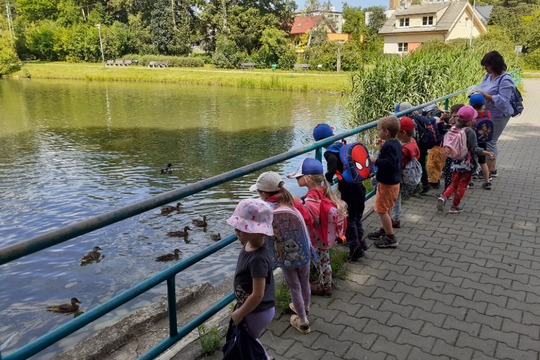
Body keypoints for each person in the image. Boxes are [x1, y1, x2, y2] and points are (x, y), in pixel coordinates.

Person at [250, 171, 312, 334]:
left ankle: (303, 320)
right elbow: (307, 219)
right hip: (304, 251)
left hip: (284, 256)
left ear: (263, 193)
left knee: (294, 286)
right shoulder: (293, 201)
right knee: (304, 281)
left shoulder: (264, 209)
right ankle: (305, 307)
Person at [289, 158, 346, 296]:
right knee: (323, 259)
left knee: (323, 260)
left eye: (299, 177)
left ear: (308, 178)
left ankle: (325, 286)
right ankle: (324, 280)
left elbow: (310, 217)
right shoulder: (323, 190)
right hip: (326, 232)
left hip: (319, 235)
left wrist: (297, 203)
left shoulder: (310, 198)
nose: (297, 179)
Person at [226, 198, 276, 359]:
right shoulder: (248, 245)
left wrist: (240, 313)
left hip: (257, 311)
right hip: (251, 308)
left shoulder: (258, 258)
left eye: (241, 228)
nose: (236, 231)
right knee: (251, 340)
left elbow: (258, 294)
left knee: (249, 341)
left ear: (257, 231)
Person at [312, 123, 367, 261]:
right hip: (359, 186)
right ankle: (362, 241)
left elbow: (332, 164)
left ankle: (355, 249)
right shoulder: (342, 145)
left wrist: (328, 177)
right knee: (357, 217)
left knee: (350, 219)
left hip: (349, 189)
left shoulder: (330, 152)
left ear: (319, 141)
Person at [437, 106, 495, 214]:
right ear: (470, 120)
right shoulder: (470, 131)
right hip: (467, 163)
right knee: (462, 185)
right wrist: (486, 152)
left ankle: (444, 197)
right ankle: (454, 206)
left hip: (455, 160)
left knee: (454, 183)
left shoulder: (453, 127)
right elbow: (474, 148)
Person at [470, 50, 515, 178]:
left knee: (490, 141)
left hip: (499, 114)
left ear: (494, 65)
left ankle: (487, 172)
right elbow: (484, 88)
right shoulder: (488, 76)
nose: (485, 69)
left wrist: (485, 95)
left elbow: (503, 100)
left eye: (487, 66)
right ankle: (492, 169)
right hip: (488, 113)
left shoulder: (506, 79)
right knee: (489, 140)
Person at [366, 116, 402, 248]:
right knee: (387, 207)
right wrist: (381, 148)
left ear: (386, 132)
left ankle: (390, 237)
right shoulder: (395, 143)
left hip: (387, 184)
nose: (378, 132)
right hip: (393, 182)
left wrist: (374, 160)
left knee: (381, 210)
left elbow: (389, 164)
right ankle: (384, 229)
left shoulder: (389, 146)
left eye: (379, 130)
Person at [391, 117, 420, 228]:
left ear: (403, 133)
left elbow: (397, 164)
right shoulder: (413, 142)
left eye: (397, 132)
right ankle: (395, 218)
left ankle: (395, 219)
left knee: (395, 198)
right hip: (407, 176)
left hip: (399, 177)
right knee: (396, 198)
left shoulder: (405, 149)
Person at [469, 93, 493, 190]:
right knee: (482, 162)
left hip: (473, 142)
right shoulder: (487, 113)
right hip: (483, 141)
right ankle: (487, 182)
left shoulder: (472, 115)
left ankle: (470, 182)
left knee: (470, 162)